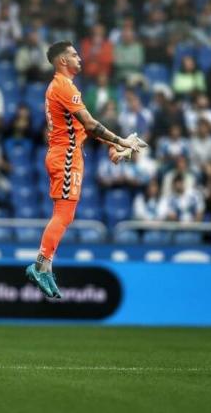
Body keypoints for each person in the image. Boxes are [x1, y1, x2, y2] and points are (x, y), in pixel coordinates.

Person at [25, 41, 146, 298]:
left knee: (64, 214)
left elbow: (82, 128)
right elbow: (90, 124)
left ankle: (45, 265)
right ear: (62, 61)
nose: (79, 58)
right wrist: (121, 141)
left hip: (66, 153)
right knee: (64, 215)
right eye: (73, 54)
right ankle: (40, 265)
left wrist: (112, 147)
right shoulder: (63, 86)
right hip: (66, 156)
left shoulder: (63, 87)